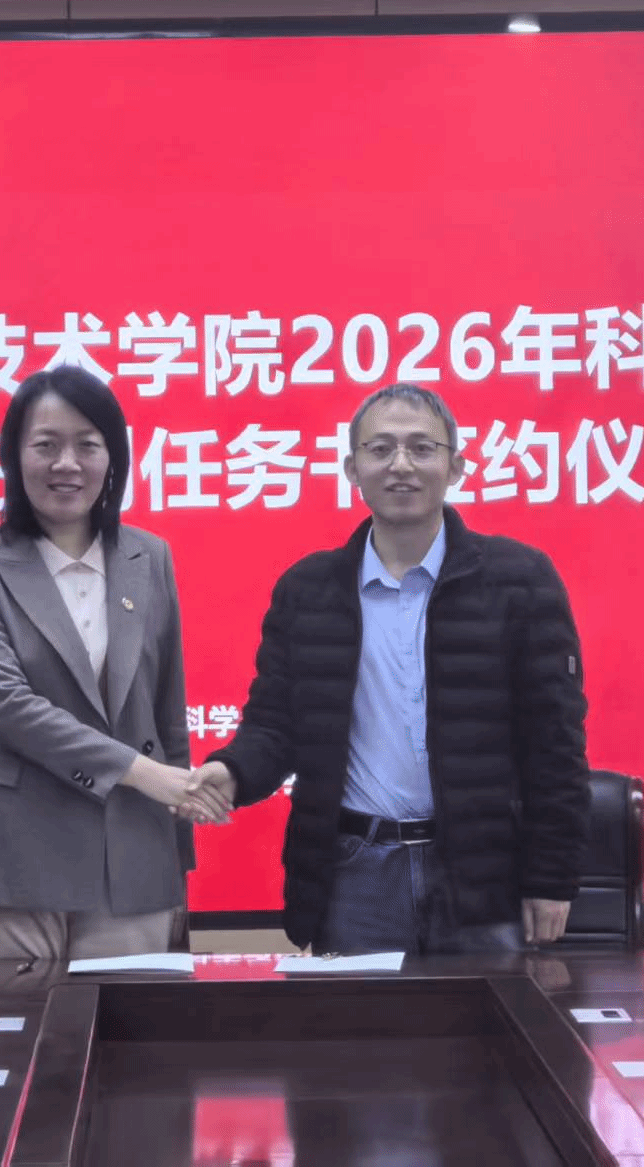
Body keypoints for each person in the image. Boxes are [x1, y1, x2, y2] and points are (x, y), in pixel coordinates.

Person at [184, 383, 590, 954]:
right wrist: (231, 772)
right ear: (352, 469)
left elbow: (555, 745)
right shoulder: (308, 590)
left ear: (456, 467)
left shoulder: (520, 582)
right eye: (380, 449)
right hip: (355, 873)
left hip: (481, 874)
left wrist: (550, 878)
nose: (401, 465)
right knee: (362, 1016)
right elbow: (276, 725)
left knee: (484, 1016)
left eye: (422, 448)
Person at [0, 366, 229, 961]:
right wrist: (146, 775)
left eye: (87, 445)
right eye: (46, 445)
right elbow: (7, 706)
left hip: (133, 847)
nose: (66, 464)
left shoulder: (150, 556)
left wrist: (177, 838)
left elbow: (166, 708)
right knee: (8, 1021)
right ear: (14, 457)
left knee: (128, 1019)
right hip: (8, 852)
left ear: (113, 456)